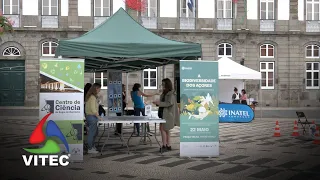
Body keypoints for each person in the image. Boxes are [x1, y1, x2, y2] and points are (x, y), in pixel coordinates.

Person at [153, 78, 179, 152]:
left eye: (163, 84)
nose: (162, 85)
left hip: (167, 114)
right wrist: (158, 103)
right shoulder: (165, 93)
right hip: (163, 113)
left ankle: (165, 145)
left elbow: (169, 103)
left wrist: (159, 103)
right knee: (165, 129)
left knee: (163, 129)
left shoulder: (171, 93)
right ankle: (168, 145)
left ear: (167, 84)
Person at [85, 83, 102, 154]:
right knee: (92, 133)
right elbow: (93, 109)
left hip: (91, 117)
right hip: (92, 117)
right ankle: (90, 148)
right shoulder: (92, 97)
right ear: (96, 89)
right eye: (99, 89)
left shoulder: (92, 97)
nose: (100, 90)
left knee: (95, 132)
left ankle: (92, 146)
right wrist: (98, 116)